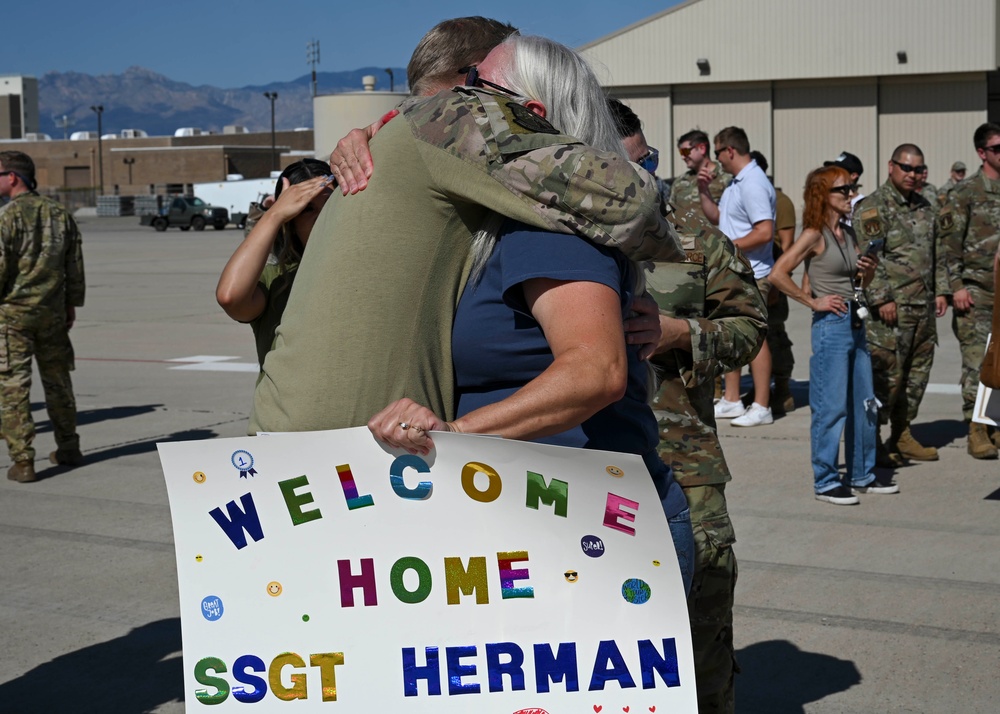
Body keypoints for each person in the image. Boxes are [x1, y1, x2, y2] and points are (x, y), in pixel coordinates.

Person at [367, 34, 694, 593]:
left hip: (589, 531)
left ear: (528, 115)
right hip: (537, 520)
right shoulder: (506, 219)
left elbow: (594, 372)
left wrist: (450, 435)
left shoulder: (550, 229)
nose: (459, 99)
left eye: (475, 87)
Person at [248, 21, 683, 435]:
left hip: (309, 428)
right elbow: (636, 201)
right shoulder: (455, 117)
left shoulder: (416, 133)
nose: (473, 92)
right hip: (351, 448)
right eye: (470, 79)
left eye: (482, 80)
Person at [611, 102, 766, 713]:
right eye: (627, 166)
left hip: (685, 464)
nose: (643, 177)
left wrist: (683, 334)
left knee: (701, 640)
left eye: (647, 161)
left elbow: (749, 327)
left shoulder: (692, 230)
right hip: (582, 471)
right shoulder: (551, 233)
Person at [769, 166, 897, 504]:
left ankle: (862, 474)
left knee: (865, 403)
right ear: (822, 195)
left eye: (853, 187)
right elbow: (778, 274)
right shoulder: (814, 234)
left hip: (855, 320)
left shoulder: (850, 233)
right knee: (831, 407)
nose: (851, 194)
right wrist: (812, 300)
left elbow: (857, 284)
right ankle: (825, 480)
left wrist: (866, 274)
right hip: (830, 327)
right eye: (843, 189)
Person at [853, 144, 946, 466]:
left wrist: (942, 291)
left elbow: (937, 253)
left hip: (922, 308)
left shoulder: (926, 205)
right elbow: (866, 259)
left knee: (916, 377)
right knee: (886, 380)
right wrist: (881, 298)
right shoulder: (873, 208)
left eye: (918, 169)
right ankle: (873, 440)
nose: (912, 174)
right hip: (891, 311)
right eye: (907, 168)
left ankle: (903, 434)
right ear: (891, 166)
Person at [0, 150, 85, 483]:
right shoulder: (59, 213)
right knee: (59, 384)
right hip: (51, 314)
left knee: (13, 388)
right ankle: (69, 448)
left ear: (12, 178)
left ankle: (23, 462)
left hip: (13, 318)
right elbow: (74, 266)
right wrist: (70, 305)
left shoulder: (7, 217)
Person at [216, 159, 333, 367]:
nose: (322, 216)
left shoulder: (367, 266)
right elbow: (231, 297)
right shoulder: (277, 281)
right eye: (307, 209)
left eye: (332, 203)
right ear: (291, 221)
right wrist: (274, 215)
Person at [702, 127, 776, 427]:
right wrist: (703, 191)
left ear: (730, 150)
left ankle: (762, 405)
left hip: (752, 273)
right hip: (737, 270)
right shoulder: (739, 182)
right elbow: (722, 219)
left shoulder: (753, 183)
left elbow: (764, 232)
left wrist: (725, 250)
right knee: (731, 332)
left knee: (755, 338)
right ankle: (732, 399)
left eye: (718, 152)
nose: (716, 159)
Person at [937, 123, 1000, 458]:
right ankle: (976, 429)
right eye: (997, 148)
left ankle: (995, 425)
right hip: (976, 292)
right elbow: (948, 246)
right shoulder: (965, 193)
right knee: (977, 363)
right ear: (982, 153)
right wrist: (956, 287)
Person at [751, 150, 797, 415]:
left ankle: (783, 389)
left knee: (776, 334)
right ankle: (762, 388)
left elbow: (788, 247)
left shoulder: (780, 201)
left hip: (773, 277)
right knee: (756, 335)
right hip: (756, 275)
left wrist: (777, 284)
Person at [673, 129, 730, 230]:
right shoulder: (679, 182)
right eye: (680, 152)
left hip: (715, 242)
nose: (682, 157)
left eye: (685, 151)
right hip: (685, 243)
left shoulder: (726, 178)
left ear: (702, 148)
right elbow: (671, 214)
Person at [823, 151, 865, 223]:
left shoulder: (864, 205)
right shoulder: (830, 202)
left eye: (839, 171)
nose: (833, 174)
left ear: (853, 176)